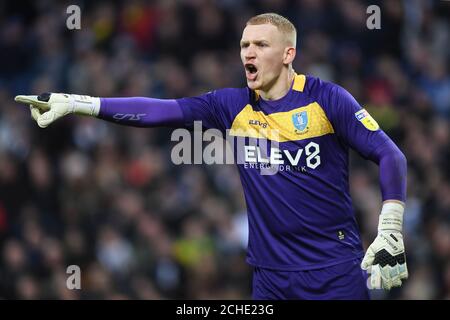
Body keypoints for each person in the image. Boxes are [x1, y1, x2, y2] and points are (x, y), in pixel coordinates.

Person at [15, 13, 408, 300]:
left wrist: (390, 226)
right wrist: (81, 102)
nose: (248, 53)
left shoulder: (328, 99)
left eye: (260, 45)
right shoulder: (230, 105)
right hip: (270, 278)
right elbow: (161, 111)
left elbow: (391, 155)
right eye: (244, 45)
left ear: (289, 53)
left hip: (334, 272)